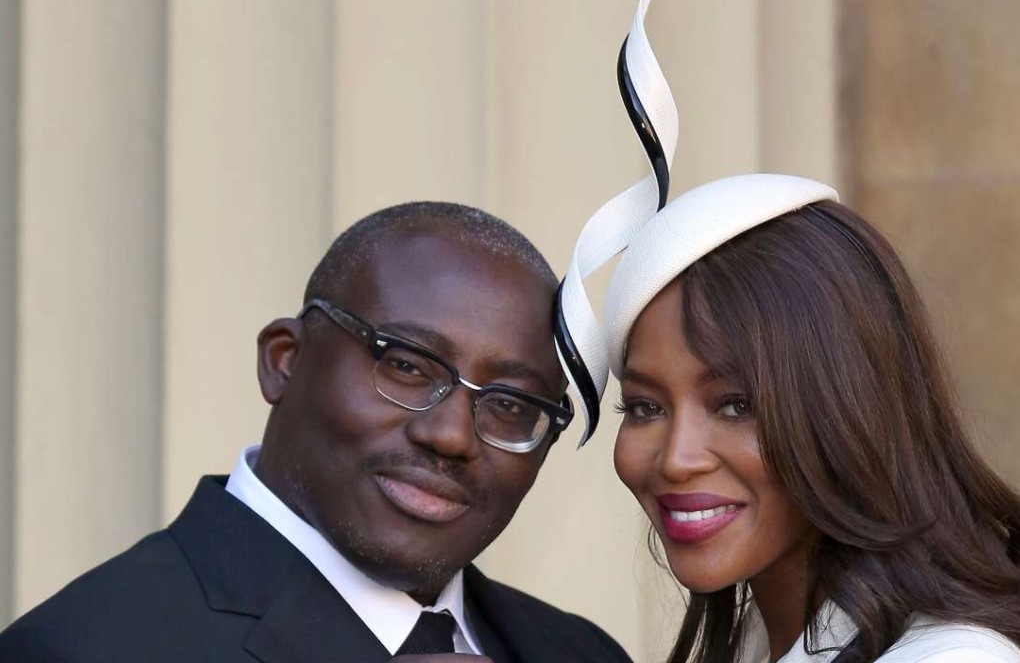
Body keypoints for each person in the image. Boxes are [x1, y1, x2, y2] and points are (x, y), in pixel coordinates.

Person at [0, 202, 631, 663]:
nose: (452, 436)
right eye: (407, 365)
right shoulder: (79, 648)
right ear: (285, 359)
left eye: (512, 406)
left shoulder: (580, 653)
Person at [598, 174, 1020, 662]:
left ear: (850, 409)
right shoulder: (763, 637)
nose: (677, 460)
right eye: (645, 408)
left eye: (737, 405)